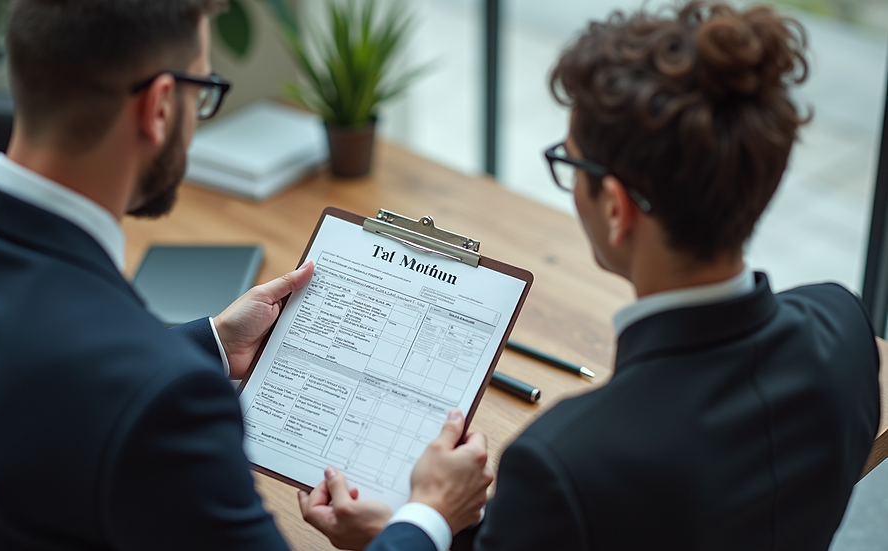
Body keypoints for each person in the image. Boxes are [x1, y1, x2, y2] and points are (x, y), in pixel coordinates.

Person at [0, 1, 492, 550]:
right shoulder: (169, 400)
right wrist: (430, 516)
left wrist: (214, 341)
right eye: (203, 91)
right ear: (160, 105)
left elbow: (31, 375)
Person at [303, 2, 882, 550]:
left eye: (570, 163)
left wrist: (420, 519)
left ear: (615, 207)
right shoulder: (846, 329)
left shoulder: (561, 464)